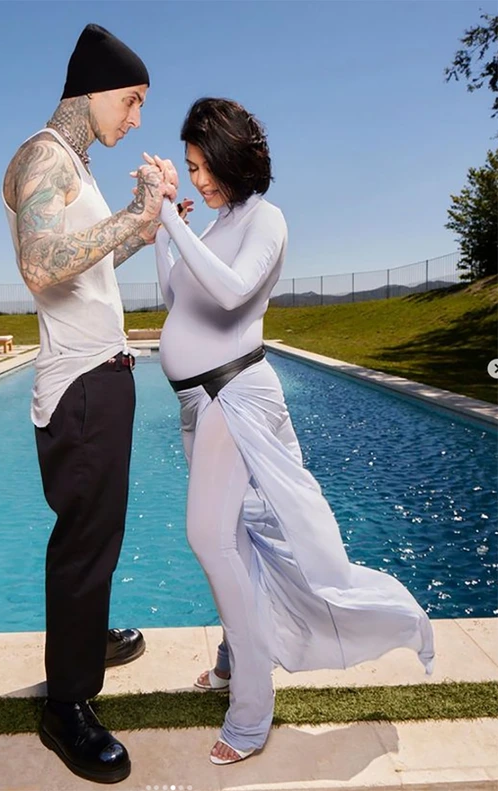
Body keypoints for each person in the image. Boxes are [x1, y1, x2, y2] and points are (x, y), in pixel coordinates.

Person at [152, 98, 435, 765]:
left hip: (235, 394)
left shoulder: (266, 219)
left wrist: (168, 217)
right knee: (235, 538)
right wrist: (172, 232)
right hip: (198, 402)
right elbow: (178, 298)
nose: (197, 179)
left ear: (231, 157)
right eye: (189, 168)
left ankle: (251, 713)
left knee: (211, 537)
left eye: (203, 166)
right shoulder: (216, 222)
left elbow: (231, 293)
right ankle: (232, 658)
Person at [1, 24, 177, 784]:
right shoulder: (43, 156)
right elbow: (42, 265)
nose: (135, 118)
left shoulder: (76, 166)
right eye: (132, 100)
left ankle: (87, 635)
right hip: (78, 382)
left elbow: (92, 262)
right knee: (84, 537)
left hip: (103, 373)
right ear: (96, 89)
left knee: (101, 530)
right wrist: (136, 216)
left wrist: (146, 214)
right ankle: (66, 705)